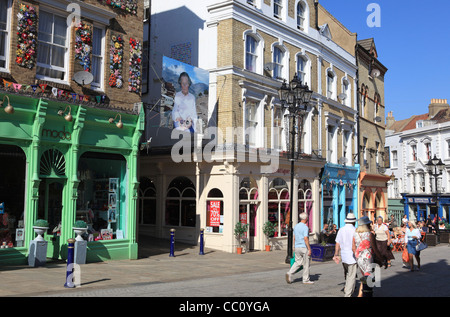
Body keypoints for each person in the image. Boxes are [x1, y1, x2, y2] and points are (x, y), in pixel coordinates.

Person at [352, 216, 383, 297]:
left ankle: (361, 294)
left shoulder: (355, 234)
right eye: (369, 224)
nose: (370, 225)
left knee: (365, 277)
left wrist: (358, 254)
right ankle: (367, 294)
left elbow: (353, 248)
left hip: (359, 258)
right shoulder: (370, 234)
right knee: (369, 279)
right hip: (368, 258)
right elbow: (375, 248)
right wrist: (381, 259)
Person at [333, 213, 357, 297]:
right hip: (352, 256)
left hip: (343, 255)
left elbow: (337, 243)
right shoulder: (355, 230)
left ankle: (348, 288)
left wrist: (336, 254)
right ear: (354, 222)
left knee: (347, 274)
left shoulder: (341, 230)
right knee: (351, 276)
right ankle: (348, 294)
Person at [286, 213, 314, 285]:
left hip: (297, 246)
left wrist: (294, 247)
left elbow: (294, 237)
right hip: (304, 247)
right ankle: (306, 279)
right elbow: (305, 238)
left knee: (297, 262)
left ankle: (290, 273)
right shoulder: (305, 227)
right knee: (306, 264)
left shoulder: (296, 226)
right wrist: (309, 248)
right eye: (307, 218)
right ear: (305, 219)